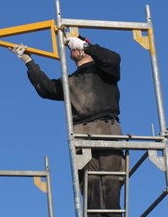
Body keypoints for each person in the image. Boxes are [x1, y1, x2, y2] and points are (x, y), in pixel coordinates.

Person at [9, 36, 124, 217]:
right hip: (82, 134)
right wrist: (29, 61)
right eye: (73, 47)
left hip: (107, 128)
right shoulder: (71, 81)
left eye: (77, 46)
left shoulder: (105, 71)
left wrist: (86, 45)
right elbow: (47, 88)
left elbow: (113, 58)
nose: (76, 49)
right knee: (91, 188)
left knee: (111, 185)